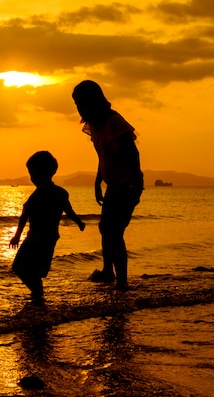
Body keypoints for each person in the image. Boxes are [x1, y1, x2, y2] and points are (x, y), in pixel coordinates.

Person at [71, 80, 143, 290]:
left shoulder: (114, 122)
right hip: (113, 183)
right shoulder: (95, 124)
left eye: (81, 102)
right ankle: (107, 271)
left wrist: (135, 185)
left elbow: (133, 153)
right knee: (106, 229)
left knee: (114, 231)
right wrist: (97, 180)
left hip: (127, 183)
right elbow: (103, 156)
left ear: (93, 101)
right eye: (76, 104)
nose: (79, 107)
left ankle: (121, 281)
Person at [9, 151, 86, 303]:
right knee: (37, 269)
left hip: (35, 238)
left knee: (19, 267)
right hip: (50, 238)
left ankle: (37, 293)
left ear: (37, 174)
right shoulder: (61, 192)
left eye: (31, 173)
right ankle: (38, 293)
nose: (31, 178)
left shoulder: (40, 192)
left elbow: (25, 213)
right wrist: (79, 222)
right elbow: (69, 211)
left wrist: (17, 235)